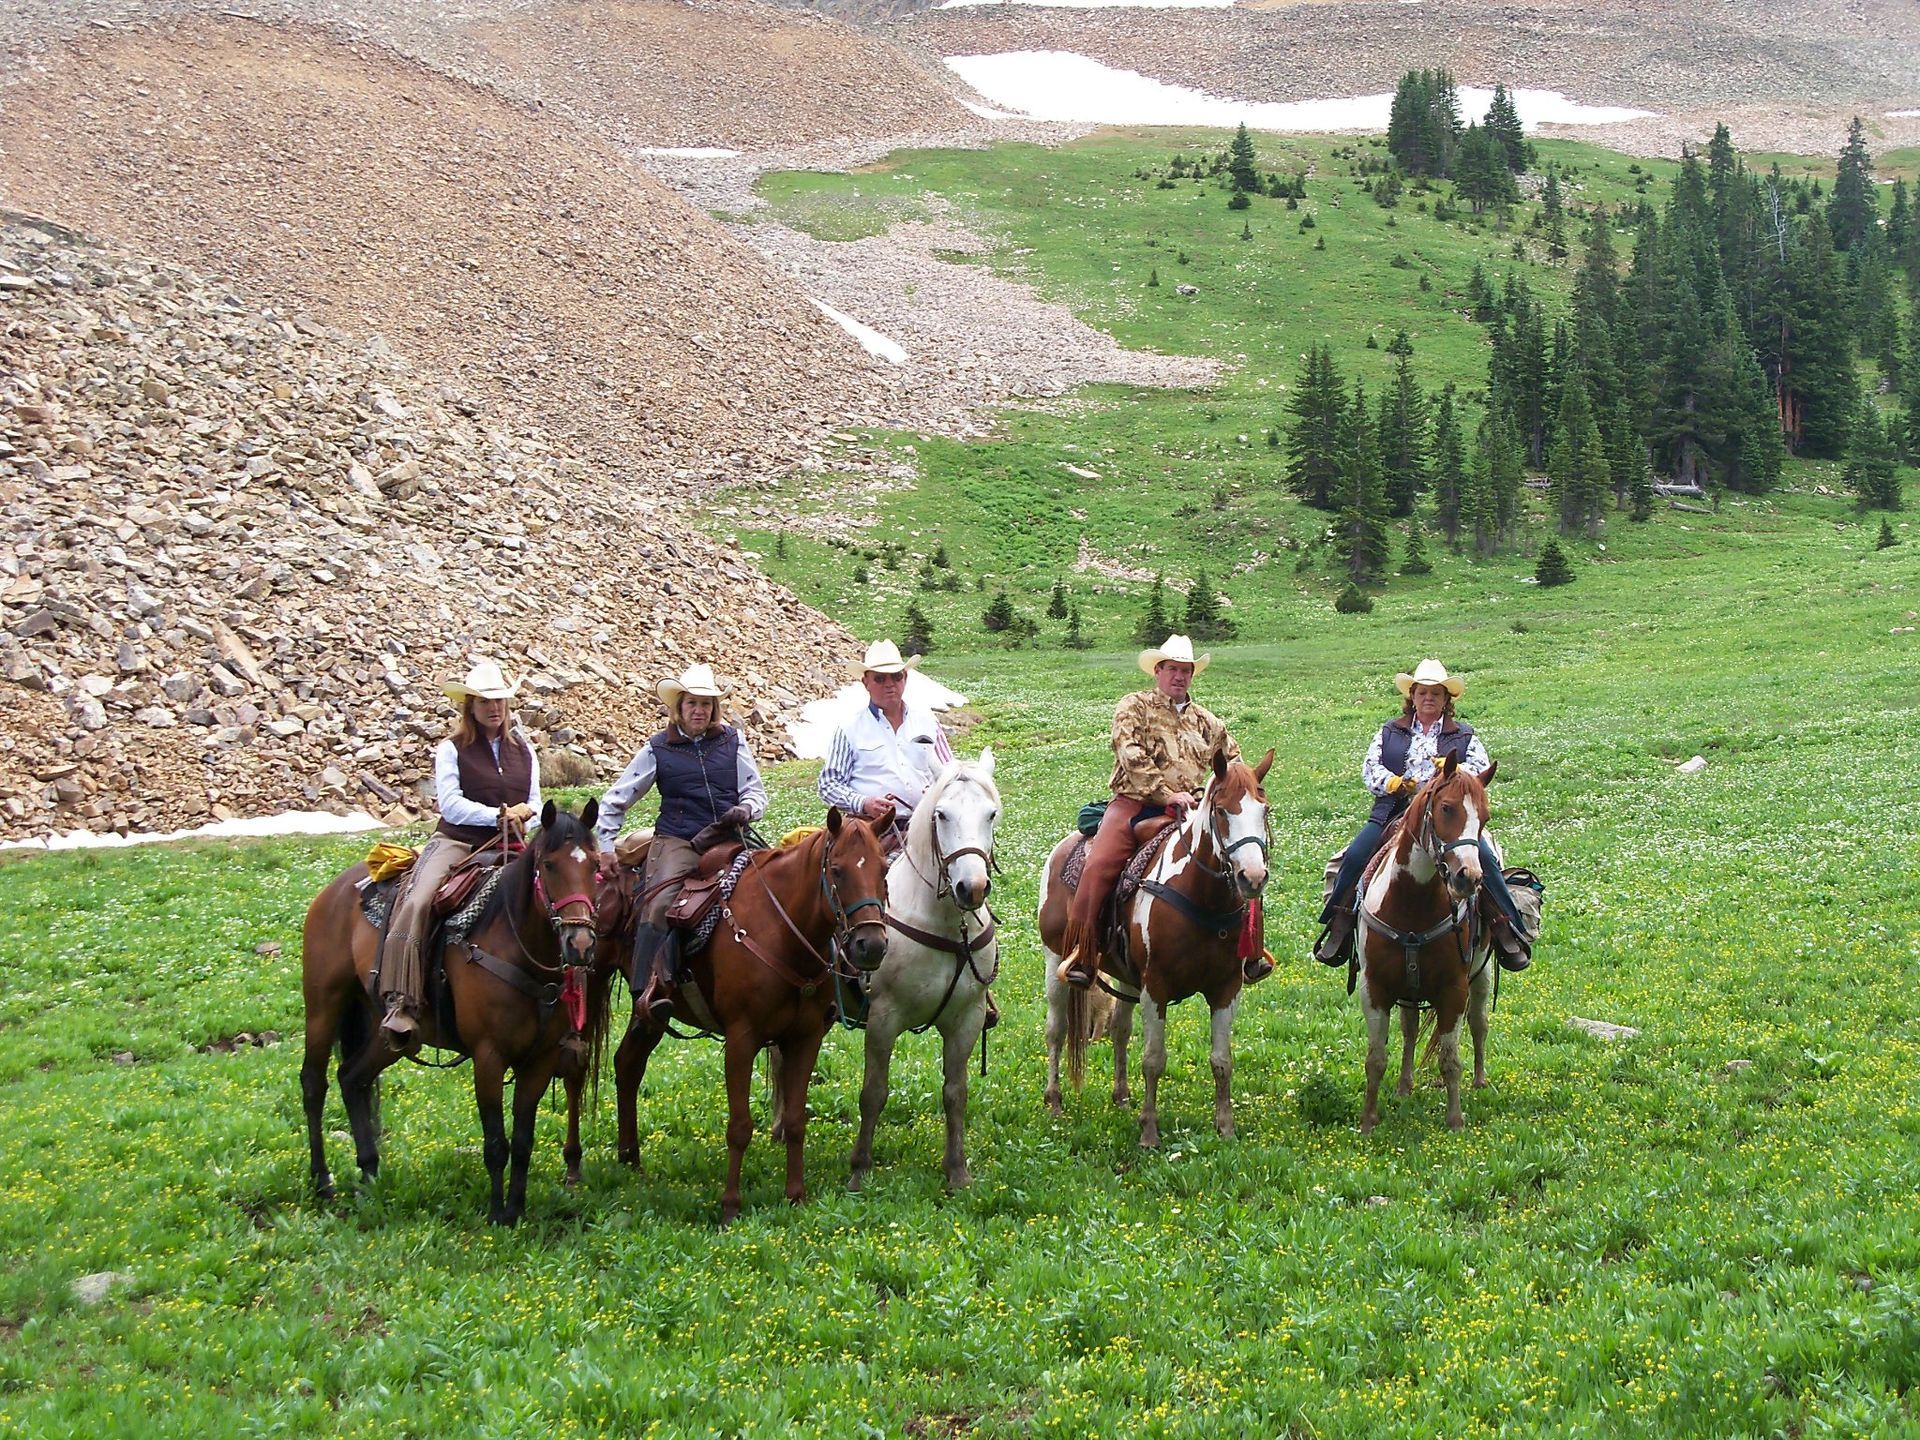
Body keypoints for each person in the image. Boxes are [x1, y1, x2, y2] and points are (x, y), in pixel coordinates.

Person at [1058, 633, 1265, 989]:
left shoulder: (1208, 722)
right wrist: (1166, 793)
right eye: (1172, 669)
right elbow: (1130, 752)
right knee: (1100, 864)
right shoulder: (1133, 706)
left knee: (1244, 862)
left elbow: (1233, 760)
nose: (1179, 677)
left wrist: (1240, 788)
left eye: (1186, 670)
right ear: (1158, 670)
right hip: (1134, 804)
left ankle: (1251, 952)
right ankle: (1083, 951)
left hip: (1196, 808)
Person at [1313, 658, 1532, 970]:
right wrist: (1393, 782)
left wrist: (1453, 772)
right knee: (1357, 855)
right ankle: (1340, 925)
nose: (1428, 698)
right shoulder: (1390, 731)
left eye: (1436, 693)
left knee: (1482, 857)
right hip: (1394, 810)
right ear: (1412, 697)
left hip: (1449, 813)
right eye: (1422, 693)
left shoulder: (1464, 736)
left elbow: (1480, 769)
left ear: (1446, 700)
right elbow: (1370, 767)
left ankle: (1504, 927)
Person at [381, 659, 542, 1051]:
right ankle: (401, 1000)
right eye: (485, 702)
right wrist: (498, 815)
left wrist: (526, 815)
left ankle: (564, 1009)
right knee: (418, 900)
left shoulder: (525, 749)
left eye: (500, 701)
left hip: (511, 845)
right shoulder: (451, 749)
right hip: (457, 841)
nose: (494, 708)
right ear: (469, 705)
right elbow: (451, 805)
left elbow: (535, 799)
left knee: (557, 900)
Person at [597, 662, 768, 1019]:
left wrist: (746, 810)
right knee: (659, 904)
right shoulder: (658, 748)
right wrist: (605, 844)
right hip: (679, 840)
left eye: (706, 704)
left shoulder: (733, 741)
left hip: (729, 835)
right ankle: (648, 988)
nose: (699, 710)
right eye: (692, 703)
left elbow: (755, 791)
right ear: (679, 706)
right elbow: (618, 797)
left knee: (773, 888)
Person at [817, 638, 954, 853]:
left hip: (925, 826)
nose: (889, 684)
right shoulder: (850, 728)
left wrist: (937, 790)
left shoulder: (928, 721)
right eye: (879, 679)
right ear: (866, 683)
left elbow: (950, 771)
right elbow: (829, 783)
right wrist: (864, 803)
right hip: (871, 830)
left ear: (905, 678)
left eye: (896, 676)